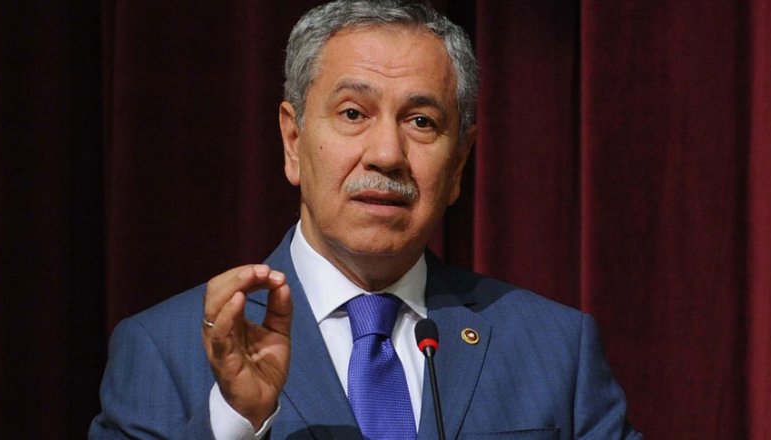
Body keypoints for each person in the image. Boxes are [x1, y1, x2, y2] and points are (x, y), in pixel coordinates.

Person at [90, 1, 642, 439]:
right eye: (353, 113)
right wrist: (236, 421)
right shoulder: (164, 350)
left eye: (421, 121)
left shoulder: (556, 350)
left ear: (458, 164)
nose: (387, 154)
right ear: (293, 140)